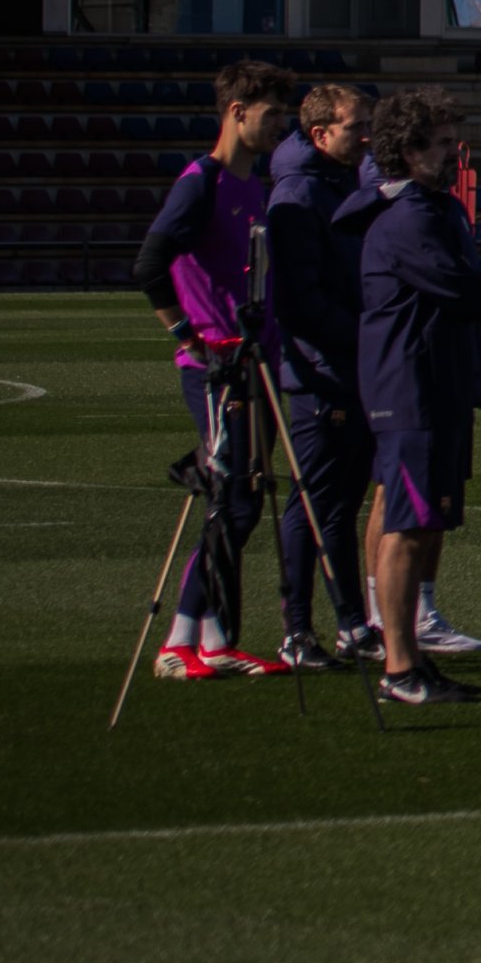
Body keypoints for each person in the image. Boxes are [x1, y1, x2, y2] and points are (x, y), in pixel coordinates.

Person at [134, 58, 289, 681]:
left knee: (242, 500)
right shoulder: (200, 182)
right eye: (272, 112)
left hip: (257, 359)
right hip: (218, 366)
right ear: (237, 111)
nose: (281, 124)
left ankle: (216, 639)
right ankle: (179, 643)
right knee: (230, 499)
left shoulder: (259, 184)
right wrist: (186, 336)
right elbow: (149, 264)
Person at [348, 87, 481, 706]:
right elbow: (467, 291)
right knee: (407, 527)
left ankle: (406, 656)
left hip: (429, 386)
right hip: (411, 389)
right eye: (440, 144)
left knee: (418, 521)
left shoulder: (428, 211)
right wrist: (476, 281)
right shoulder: (411, 217)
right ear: (408, 151)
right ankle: (401, 665)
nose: (452, 154)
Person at [264, 76, 376, 668]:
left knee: (338, 504)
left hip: (350, 364)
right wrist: (366, 335)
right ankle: (296, 631)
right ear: (320, 132)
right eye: (357, 127)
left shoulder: (340, 182)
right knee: (312, 502)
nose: (367, 137)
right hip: (319, 372)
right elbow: (300, 302)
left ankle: (350, 624)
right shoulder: (298, 198)